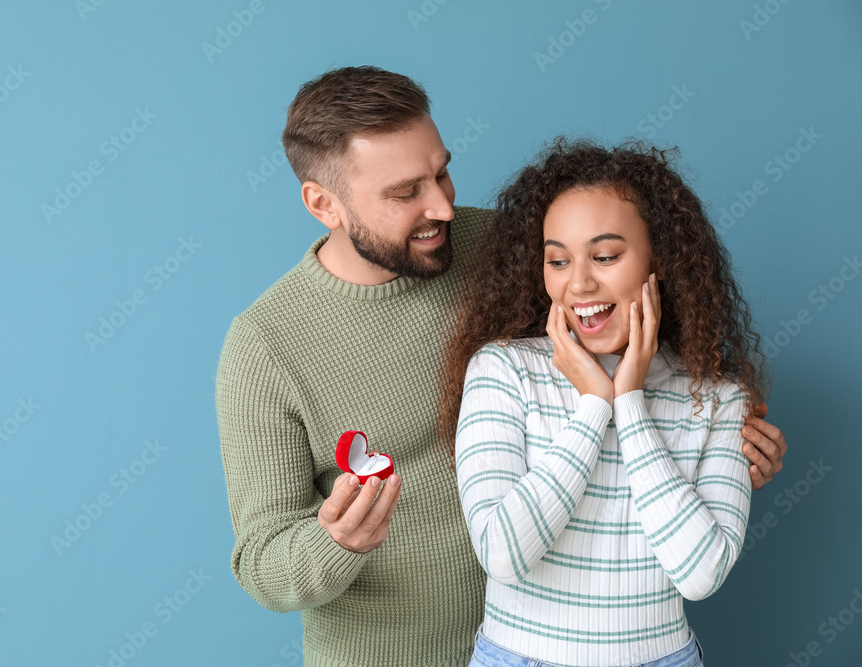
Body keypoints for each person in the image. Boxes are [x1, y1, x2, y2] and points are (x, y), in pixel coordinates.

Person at [216, 67, 787, 667]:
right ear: (323, 204)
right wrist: (334, 543)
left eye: (441, 172)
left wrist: (713, 451)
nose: (443, 205)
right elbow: (261, 563)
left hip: (572, 640)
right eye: (406, 191)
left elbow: (641, 336)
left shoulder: (518, 248)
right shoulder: (266, 345)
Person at [442, 139, 769, 666]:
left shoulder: (718, 395)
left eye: (606, 255)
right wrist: (595, 406)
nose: (579, 283)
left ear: (658, 260)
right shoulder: (502, 370)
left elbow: (701, 574)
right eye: (558, 260)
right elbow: (502, 553)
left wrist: (631, 403)